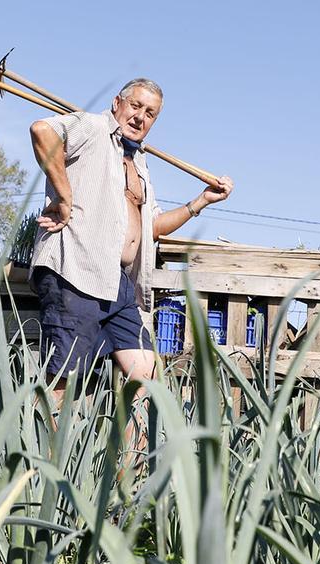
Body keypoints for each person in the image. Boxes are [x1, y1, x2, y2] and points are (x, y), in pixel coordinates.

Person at [28, 77, 234, 398]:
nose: (140, 117)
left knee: (147, 381)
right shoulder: (94, 127)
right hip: (77, 270)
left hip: (120, 284)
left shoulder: (139, 162)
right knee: (63, 384)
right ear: (117, 104)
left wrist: (202, 200)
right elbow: (43, 131)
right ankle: (47, 449)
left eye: (150, 113)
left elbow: (153, 226)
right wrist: (65, 196)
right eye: (135, 106)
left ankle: (128, 451)